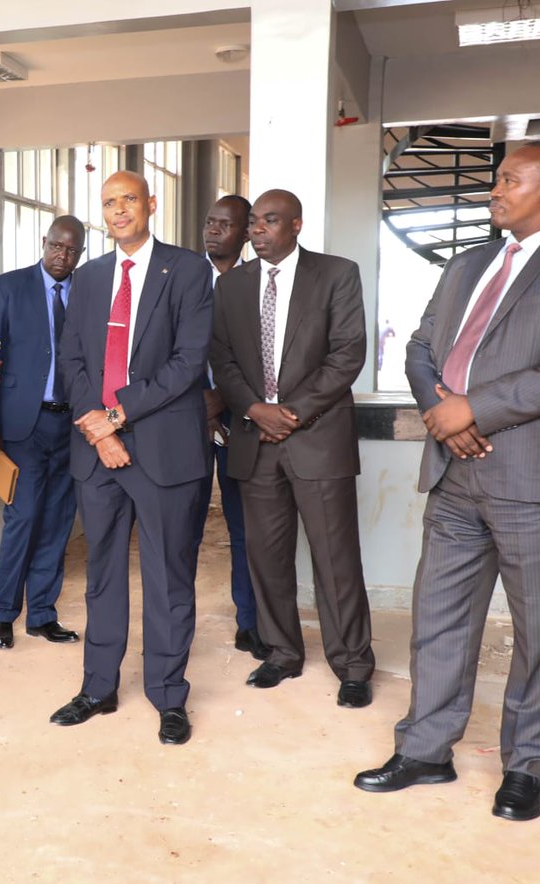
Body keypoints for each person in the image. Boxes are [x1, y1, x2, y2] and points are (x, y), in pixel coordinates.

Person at [354, 141, 540, 822]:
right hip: (455, 475)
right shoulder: (468, 263)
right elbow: (422, 348)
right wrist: (443, 416)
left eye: (510, 180)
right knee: (439, 617)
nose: (495, 190)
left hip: (537, 480)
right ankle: (425, 749)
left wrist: (472, 409)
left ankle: (528, 767)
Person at [50, 170, 212, 746]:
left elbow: (189, 361)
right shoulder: (91, 278)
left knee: (169, 577)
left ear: (151, 204)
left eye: (128, 200)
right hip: (98, 453)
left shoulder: (189, 269)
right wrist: (100, 430)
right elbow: (72, 360)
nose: (118, 210)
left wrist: (117, 416)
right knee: (102, 575)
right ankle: (98, 687)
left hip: (165, 449)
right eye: (108, 203)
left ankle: (169, 696)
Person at [209, 189, 375, 707]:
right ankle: (281, 653)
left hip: (317, 438)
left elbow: (348, 354)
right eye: (254, 222)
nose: (258, 230)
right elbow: (222, 356)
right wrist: (256, 410)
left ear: (297, 225)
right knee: (267, 555)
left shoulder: (336, 274)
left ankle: (352, 663)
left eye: (270, 221)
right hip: (255, 440)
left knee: (335, 558)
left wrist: (294, 412)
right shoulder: (232, 286)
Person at [0, 216, 85, 650]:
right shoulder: (7, 287)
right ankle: (4, 614)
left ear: (80, 253)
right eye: (56, 247)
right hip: (24, 424)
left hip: (74, 424)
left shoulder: (86, 293)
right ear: (44, 243)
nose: (62, 257)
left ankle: (42, 614)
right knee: (22, 518)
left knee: (58, 521)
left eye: (71, 251)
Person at [194, 194, 265, 661]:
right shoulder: (181, 276)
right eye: (210, 221)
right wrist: (199, 398)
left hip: (241, 423)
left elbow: (268, 354)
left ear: (245, 234)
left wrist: (228, 397)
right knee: (181, 528)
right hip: (188, 423)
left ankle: (251, 623)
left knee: (247, 527)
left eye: (226, 225)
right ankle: (174, 625)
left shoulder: (260, 282)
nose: (214, 230)